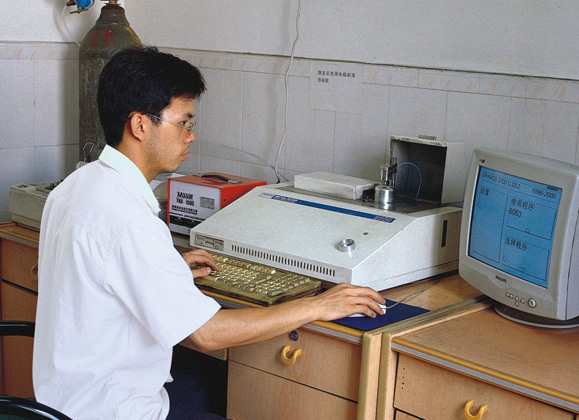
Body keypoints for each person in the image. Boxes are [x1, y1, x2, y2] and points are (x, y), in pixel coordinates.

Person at [32, 46, 385, 420]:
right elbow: (207, 335)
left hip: (64, 401)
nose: (191, 137)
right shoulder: (130, 220)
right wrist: (317, 305)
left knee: (209, 385)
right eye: (184, 123)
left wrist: (166, 269)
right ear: (140, 125)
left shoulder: (78, 185)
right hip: (114, 410)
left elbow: (98, 273)